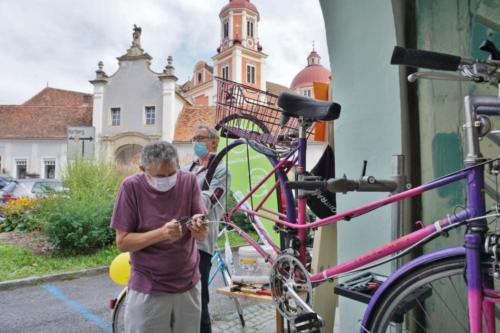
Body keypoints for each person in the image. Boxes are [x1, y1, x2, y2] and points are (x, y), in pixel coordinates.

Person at [111, 141, 208, 333]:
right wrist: (162, 233)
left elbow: (203, 232)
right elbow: (122, 242)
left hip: (187, 285)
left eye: (172, 174)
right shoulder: (131, 187)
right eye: (160, 176)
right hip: (149, 288)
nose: (167, 179)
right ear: (142, 169)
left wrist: (199, 227)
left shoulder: (188, 181)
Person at [184, 125, 231, 333]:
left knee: (199, 296)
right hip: (181, 239)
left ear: (214, 142)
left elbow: (209, 201)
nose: (196, 142)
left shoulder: (221, 170)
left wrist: (183, 198)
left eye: (200, 138)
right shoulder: (188, 169)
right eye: (194, 138)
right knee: (183, 295)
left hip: (201, 242)